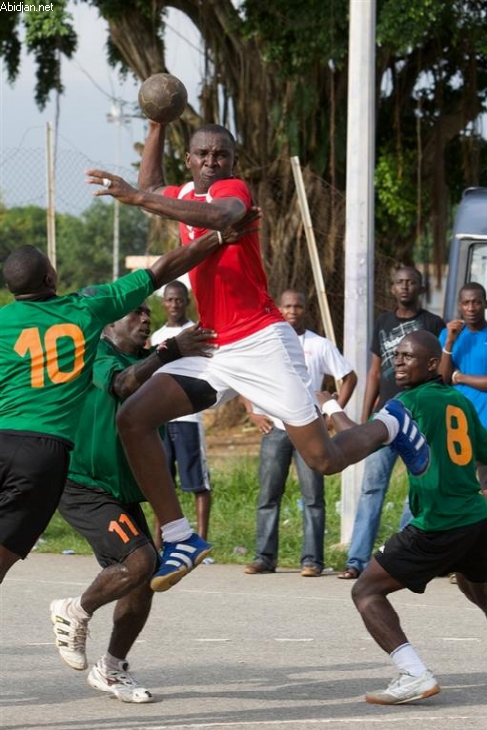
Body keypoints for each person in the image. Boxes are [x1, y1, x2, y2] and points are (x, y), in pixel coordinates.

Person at [85, 123, 430, 593]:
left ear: (232, 160)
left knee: (323, 459)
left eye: (220, 154)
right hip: (214, 345)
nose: (211, 161)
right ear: (189, 160)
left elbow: (220, 213)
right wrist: (158, 124)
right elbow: (147, 186)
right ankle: (181, 538)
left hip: (262, 342)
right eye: (202, 154)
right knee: (134, 417)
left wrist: (139, 198)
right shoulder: (185, 192)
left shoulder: (233, 192)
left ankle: (393, 425)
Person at [0, 213, 255, 585]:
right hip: (42, 454)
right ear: (50, 278)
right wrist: (218, 234)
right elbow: (160, 271)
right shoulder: (85, 309)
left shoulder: (4, 321)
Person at [49, 304, 214, 703]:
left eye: (147, 314)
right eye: (135, 313)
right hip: (83, 483)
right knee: (140, 561)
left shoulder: (150, 361)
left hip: (121, 490)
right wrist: (170, 351)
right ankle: (74, 609)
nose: (145, 319)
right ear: (109, 322)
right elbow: (122, 384)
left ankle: (111, 668)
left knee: (144, 577)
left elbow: (195, 384)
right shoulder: (96, 352)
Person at [321, 330, 487, 705]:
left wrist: (330, 408)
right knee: (474, 584)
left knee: (366, 591)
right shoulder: (458, 401)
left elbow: (360, 439)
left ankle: (414, 673)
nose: (398, 361)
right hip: (476, 520)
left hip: (438, 524)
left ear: (432, 364)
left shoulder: (405, 405)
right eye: (396, 355)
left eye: (408, 356)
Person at [338, 266, 445, 580]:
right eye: (400, 282)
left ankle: (401, 555)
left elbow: (440, 366)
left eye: (411, 282)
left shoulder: (432, 323)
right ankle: (356, 560)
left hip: (420, 417)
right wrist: (365, 414)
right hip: (386, 415)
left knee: (418, 489)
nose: (405, 287)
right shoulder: (383, 322)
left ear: (420, 288)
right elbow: (373, 371)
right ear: (392, 287)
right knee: (371, 488)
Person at [244, 289, 357, 577]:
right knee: (269, 495)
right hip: (275, 428)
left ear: (305, 309)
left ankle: (312, 561)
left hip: (310, 429)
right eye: (287, 306)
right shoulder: (269, 342)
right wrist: (251, 411)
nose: (292, 311)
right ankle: (264, 558)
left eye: (297, 306)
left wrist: (333, 410)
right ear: (279, 309)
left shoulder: (319, 345)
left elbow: (349, 376)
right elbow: (244, 376)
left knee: (313, 497)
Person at [151, 280, 212, 544]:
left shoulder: (198, 331)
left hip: (188, 416)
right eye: (169, 299)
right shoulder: (157, 337)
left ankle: (201, 540)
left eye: (179, 299)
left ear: (187, 302)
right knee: (160, 482)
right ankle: (159, 541)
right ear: (163, 303)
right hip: (162, 418)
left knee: (198, 483)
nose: (174, 304)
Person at [438, 282, 487, 490]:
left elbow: (453, 377)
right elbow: (442, 378)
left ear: (485, 304)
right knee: (455, 488)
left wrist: (460, 377)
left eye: (477, 302)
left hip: (485, 427)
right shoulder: (449, 334)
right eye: (466, 303)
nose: (471, 308)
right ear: (459, 306)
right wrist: (449, 342)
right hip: (458, 426)